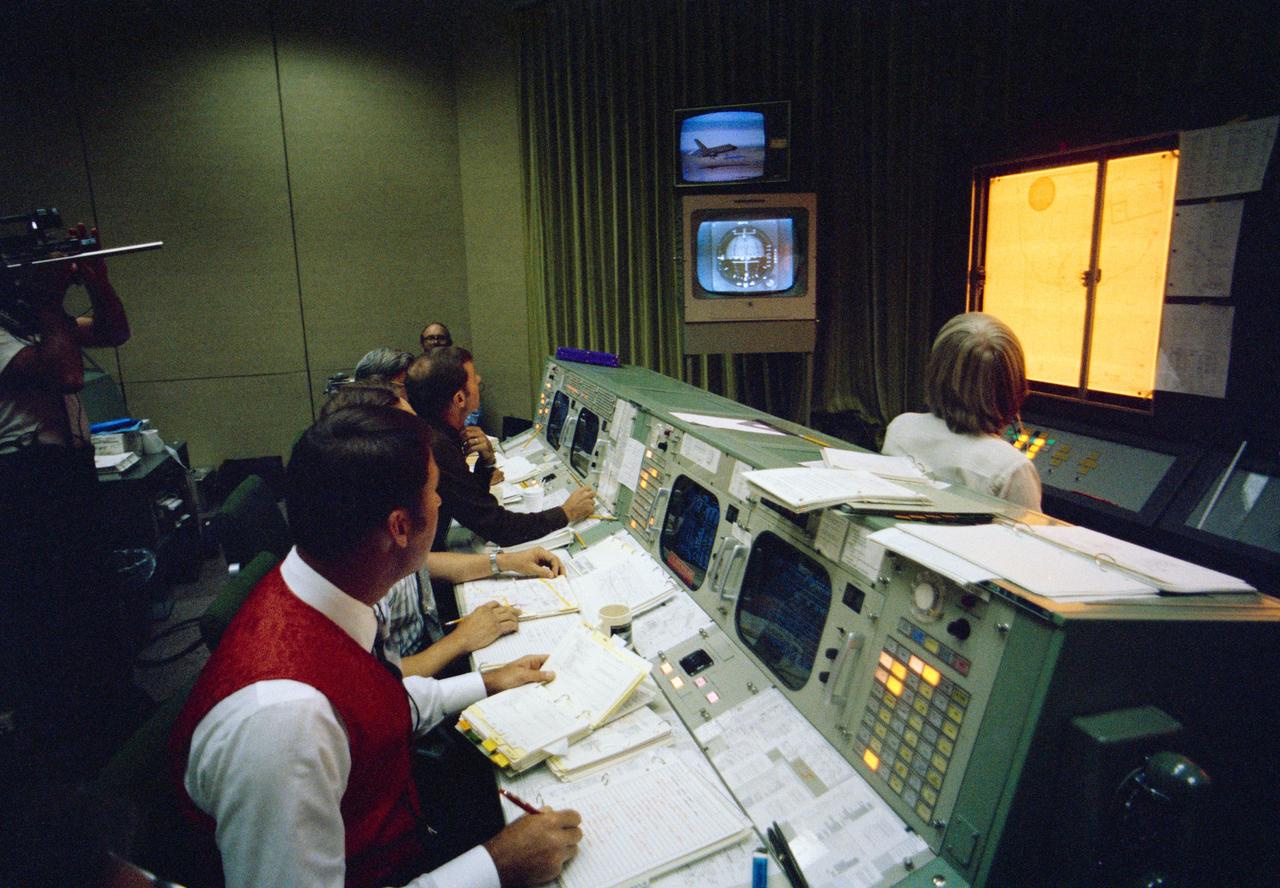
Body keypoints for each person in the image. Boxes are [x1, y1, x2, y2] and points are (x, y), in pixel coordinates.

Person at [170, 406, 582, 888]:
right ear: (400, 527)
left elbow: (375, 704)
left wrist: (484, 681)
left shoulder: (327, 587)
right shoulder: (286, 728)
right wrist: (496, 865)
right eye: (434, 491)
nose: (439, 501)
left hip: (396, 827)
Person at [0, 222, 133, 760]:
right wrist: (51, 298)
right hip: (24, 482)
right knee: (53, 606)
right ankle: (65, 733)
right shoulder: (13, 329)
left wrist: (96, 282)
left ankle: (112, 705)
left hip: (64, 472)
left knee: (94, 587)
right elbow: (67, 373)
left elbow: (113, 331)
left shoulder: (29, 320)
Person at [404, 346, 595, 553]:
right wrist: (566, 512)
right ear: (459, 399)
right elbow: (496, 526)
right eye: (472, 378)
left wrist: (486, 463)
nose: (478, 379)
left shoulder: (430, 433)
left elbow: (469, 502)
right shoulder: (438, 449)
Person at [882, 311, 1042, 510]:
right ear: (1013, 384)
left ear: (936, 372)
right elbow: (1029, 538)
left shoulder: (901, 428)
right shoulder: (1012, 469)